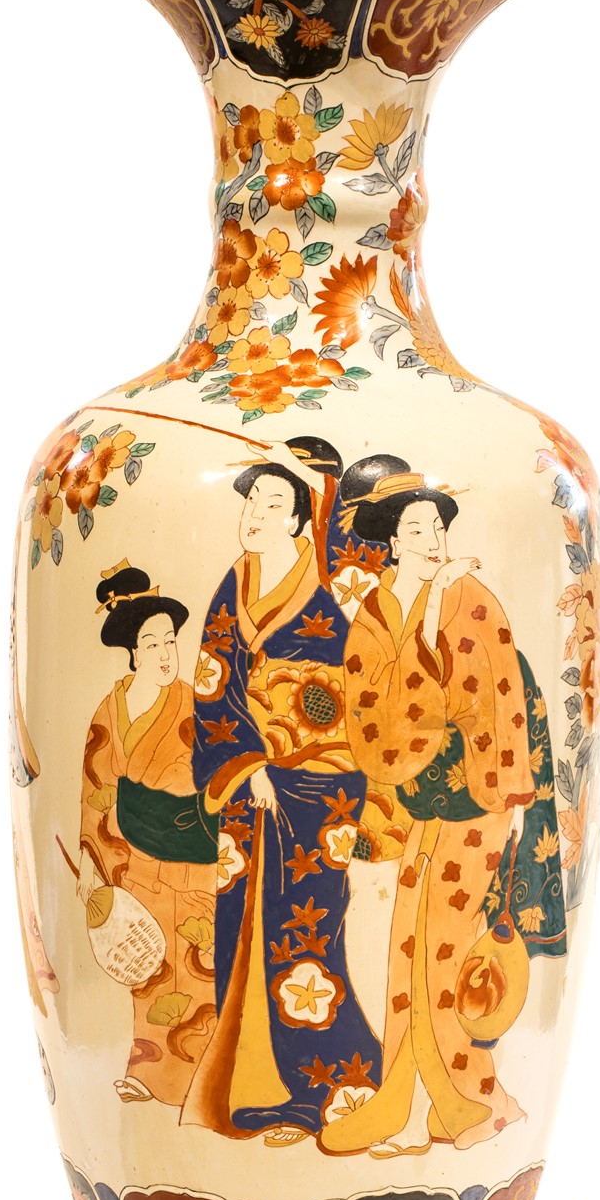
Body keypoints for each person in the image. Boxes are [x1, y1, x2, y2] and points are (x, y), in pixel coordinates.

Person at [319, 454, 564, 1158]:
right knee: (406, 951)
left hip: (476, 803)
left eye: (437, 526)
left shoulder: (470, 597)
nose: (431, 540)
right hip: (414, 808)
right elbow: (371, 720)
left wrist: (513, 802)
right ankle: (400, 1101)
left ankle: (469, 1103)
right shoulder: (376, 613)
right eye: (416, 528)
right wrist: (422, 629)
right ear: (391, 541)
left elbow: (501, 702)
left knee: (443, 955)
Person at [184, 441, 381, 1145]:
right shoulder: (233, 585)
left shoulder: (326, 585)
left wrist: (331, 482)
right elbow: (212, 685)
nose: (255, 514)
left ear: (300, 521)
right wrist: (248, 768)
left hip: (321, 790)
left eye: (273, 504)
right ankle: (255, 1086)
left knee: (308, 928)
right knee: (242, 926)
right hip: (250, 790)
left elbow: (358, 675)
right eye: (250, 502)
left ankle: (328, 1082)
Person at [78, 562, 217, 1105]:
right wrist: (92, 863)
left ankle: (201, 1079)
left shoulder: (192, 704)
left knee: (198, 965)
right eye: (152, 643)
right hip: (132, 861)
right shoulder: (108, 711)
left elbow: (215, 778)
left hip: (191, 856)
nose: (165, 654)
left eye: (170, 642)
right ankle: (149, 1073)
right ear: (133, 653)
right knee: (147, 968)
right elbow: (96, 788)